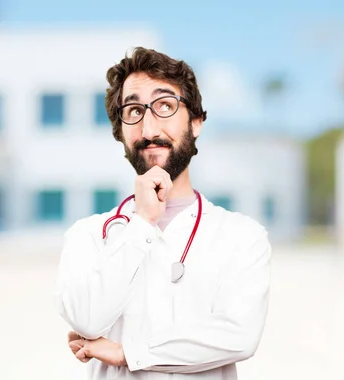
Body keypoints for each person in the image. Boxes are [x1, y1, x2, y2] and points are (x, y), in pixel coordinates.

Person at [54, 47, 272, 380]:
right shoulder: (88, 235)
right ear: (120, 132)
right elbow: (85, 318)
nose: (149, 127)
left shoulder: (243, 237)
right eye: (134, 110)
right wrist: (142, 221)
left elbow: (239, 336)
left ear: (196, 122)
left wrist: (128, 352)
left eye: (165, 106)